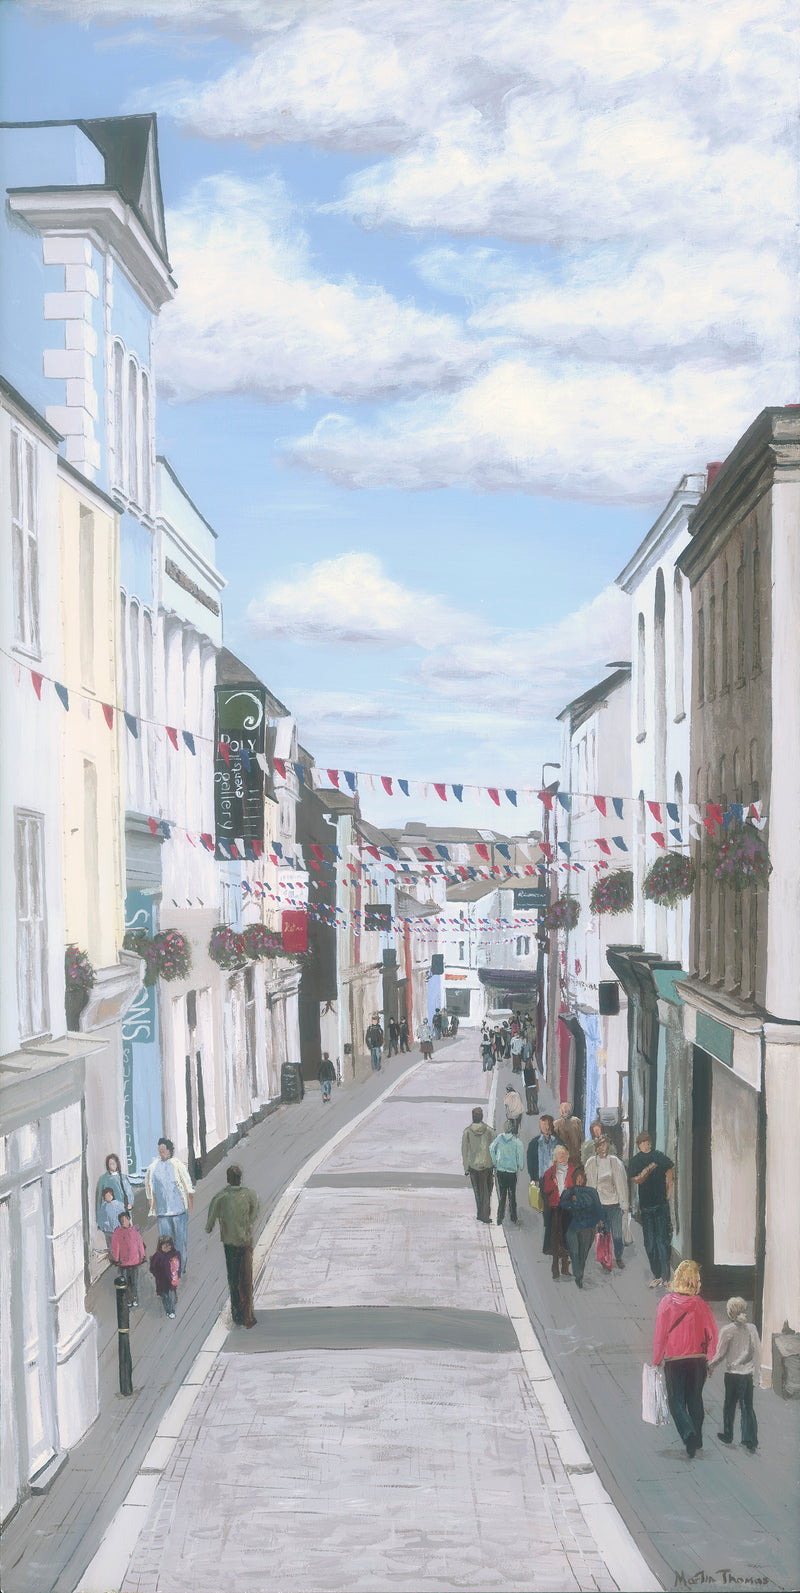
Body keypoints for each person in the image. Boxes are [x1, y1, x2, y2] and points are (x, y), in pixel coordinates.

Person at [653, 1259, 718, 1458]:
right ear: (694, 1282)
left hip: (674, 1361)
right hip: (697, 1360)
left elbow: (660, 1334)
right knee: (695, 1399)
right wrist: (711, 1357)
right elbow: (712, 1333)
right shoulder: (701, 1305)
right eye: (698, 1279)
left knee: (676, 1402)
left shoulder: (666, 1303)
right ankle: (696, 1436)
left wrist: (656, 1360)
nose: (700, 1283)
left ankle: (689, 1434)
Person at [206, 1165, 259, 1329]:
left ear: (228, 1179)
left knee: (234, 1280)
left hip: (229, 1244)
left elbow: (210, 1222)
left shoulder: (220, 1197)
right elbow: (255, 1210)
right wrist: (247, 1222)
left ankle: (237, 1314)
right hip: (245, 1242)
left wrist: (210, 1227)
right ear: (240, 1178)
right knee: (246, 1280)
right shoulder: (249, 1194)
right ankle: (248, 1316)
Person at [709, 1297, 761, 1454]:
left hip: (732, 1375)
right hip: (747, 1374)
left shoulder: (727, 1330)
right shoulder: (752, 1329)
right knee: (747, 1406)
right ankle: (750, 1438)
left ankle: (728, 1434)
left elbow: (721, 1354)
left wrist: (711, 1365)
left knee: (730, 1404)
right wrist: (757, 1375)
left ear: (730, 1313)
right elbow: (757, 1352)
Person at [629, 1131, 674, 1287]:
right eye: (643, 1142)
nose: (646, 1144)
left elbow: (670, 1170)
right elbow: (636, 1179)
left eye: (648, 1142)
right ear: (638, 1145)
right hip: (646, 1207)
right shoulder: (636, 1161)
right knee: (649, 1243)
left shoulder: (659, 1156)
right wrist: (649, 1169)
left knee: (663, 1241)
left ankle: (666, 1277)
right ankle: (657, 1275)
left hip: (661, 1205)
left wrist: (668, 1192)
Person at [145, 1137, 194, 1275]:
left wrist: (189, 1206)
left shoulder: (178, 1165)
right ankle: (168, 1266)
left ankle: (180, 1266)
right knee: (165, 1243)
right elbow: (149, 1189)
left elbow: (187, 1186)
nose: (161, 1153)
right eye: (159, 1151)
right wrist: (152, 1207)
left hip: (178, 1212)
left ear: (170, 1151)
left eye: (163, 1151)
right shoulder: (153, 1167)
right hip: (163, 1214)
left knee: (180, 1242)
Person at [584, 1137, 629, 1269]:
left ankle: (619, 1257)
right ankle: (605, 1260)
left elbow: (621, 1184)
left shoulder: (614, 1162)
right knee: (604, 1234)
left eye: (605, 1145)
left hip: (614, 1205)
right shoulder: (591, 1162)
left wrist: (624, 1205)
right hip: (600, 1206)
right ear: (596, 1148)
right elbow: (590, 1186)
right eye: (600, 1146)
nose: (603, 1148)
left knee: (617, 1235)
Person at [559, 1168, 606, 1288]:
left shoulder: (591, 1192)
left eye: (582, 1179)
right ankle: (578, 1276)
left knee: (583, 1254)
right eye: (577, 1179)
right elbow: (562, 1205)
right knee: (574, 1253)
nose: (580, 1181)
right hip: (572, 1228)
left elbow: (598, 1207)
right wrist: (573, 1203)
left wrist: (601, 1221)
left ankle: (579, 1274)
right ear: (574, 1179)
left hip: (588, 1227)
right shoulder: (569, 1192)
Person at [527, 1116, 565, 1255]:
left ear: (552, 1126)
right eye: (543, 1126)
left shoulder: (559, 1143)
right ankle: (549, 1245)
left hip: (557, 1180)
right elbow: (531, 1162)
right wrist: (533, 1179)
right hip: (543, 1181)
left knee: (556, 1212)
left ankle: (554, 1245)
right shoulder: (534, 1143)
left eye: (548, 1126)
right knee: (549, 1212)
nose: (546, 1129)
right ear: (540, 1126)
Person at [542, 1147, 574, 1278]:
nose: (563, 1157)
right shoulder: (550, 1172)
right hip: (555, 1208)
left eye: (565, 1155)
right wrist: (554, 1184)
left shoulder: (573, 1170)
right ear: (555, 1157)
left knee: (566, 1237)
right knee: (555, 1237)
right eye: (560, 1155)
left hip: (568, 1208)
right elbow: (546, 1189)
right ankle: (555, 1266)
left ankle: (565, 1265)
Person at [461, 1107, 494, 1224]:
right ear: (482, 1117)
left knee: (477, 1191)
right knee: (487, 1191)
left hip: (473, 1166)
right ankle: (485, 1214)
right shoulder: (490, 1131)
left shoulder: (467, 1132)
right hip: (487, 1165)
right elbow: (494, 1148)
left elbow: (465, 1151)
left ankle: (480, 1213)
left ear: (472, 1117)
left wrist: (466, 1168)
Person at [490, 1122, 524, 1225]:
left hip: (500, 1170)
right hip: (511, 1171)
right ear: (513, 1129)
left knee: (502, 1194)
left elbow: (491, 1148)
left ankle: (500, 1217)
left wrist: (495, 1161)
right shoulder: (517, 1142)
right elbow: (520, 1156)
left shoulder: (499, 1138)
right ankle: (513, 1217)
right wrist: (520, 1166)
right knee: (512, 1194)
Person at [111, 1210, 146, 1307]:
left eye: (125, 1220)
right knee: (125, 1282)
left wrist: (142, 1255)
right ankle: (128, 1299)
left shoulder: (134, 1230)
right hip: (123, 1262)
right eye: (121, 1220)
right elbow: (115, 1246)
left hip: (134, 1261)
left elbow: (139, 1243)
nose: (123, 1222)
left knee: (134, 1282)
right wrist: (116, 1258)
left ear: (129, 1219)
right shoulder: (118, 1232)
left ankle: (134, 1298)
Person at [95, 1153, 133, 1227]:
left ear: (117, 1164)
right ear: (107, 1165)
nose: (112, 1165)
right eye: (110, 1164)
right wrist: (99, 1219)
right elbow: (99, 1199)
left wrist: (129, 1207)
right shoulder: (103, 1179)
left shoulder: (123, 1178)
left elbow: (129, 1194)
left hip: (122, 1212)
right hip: (109, 1213)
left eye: (114, 1163)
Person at [150, 1234, 182, 1319]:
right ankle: (168, 1310)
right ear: (160, 1247)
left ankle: (171, 1311)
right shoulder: (158, 1256)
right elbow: (152, 1267)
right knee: (165, 1297)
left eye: (168, 1245)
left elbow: (179, 1266)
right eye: (164, 1246)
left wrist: (178, 1275)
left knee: (171, 1296)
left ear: (171, 1245)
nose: (167, 1248)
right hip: (162, 1281)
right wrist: (157, 1275)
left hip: (172, 1280)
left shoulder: (176, 1254)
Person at [97, 1186, 126, 1257]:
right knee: (110, 1244)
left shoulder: (118, 1204)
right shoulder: (104, 1206)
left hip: (116, 1228)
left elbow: (123, 1214)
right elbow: (101, 1217)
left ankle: (119, 1256)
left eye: (109, 1195)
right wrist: (101, 1226)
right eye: (106, 1196)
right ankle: (113, 1257)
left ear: (112, 1195)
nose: (108, 1197)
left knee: (117, 1243)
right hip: (107, 1229)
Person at [554, 1101, 583, 1165]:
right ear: (560, 1111)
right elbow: (556, 1140)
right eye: (563, 1111)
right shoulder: (557, 1123)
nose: (565, 1113)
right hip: (564, 1154)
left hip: (576, 1154)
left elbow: (581, 1137)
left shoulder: (577, 1121)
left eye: (567, 1111)